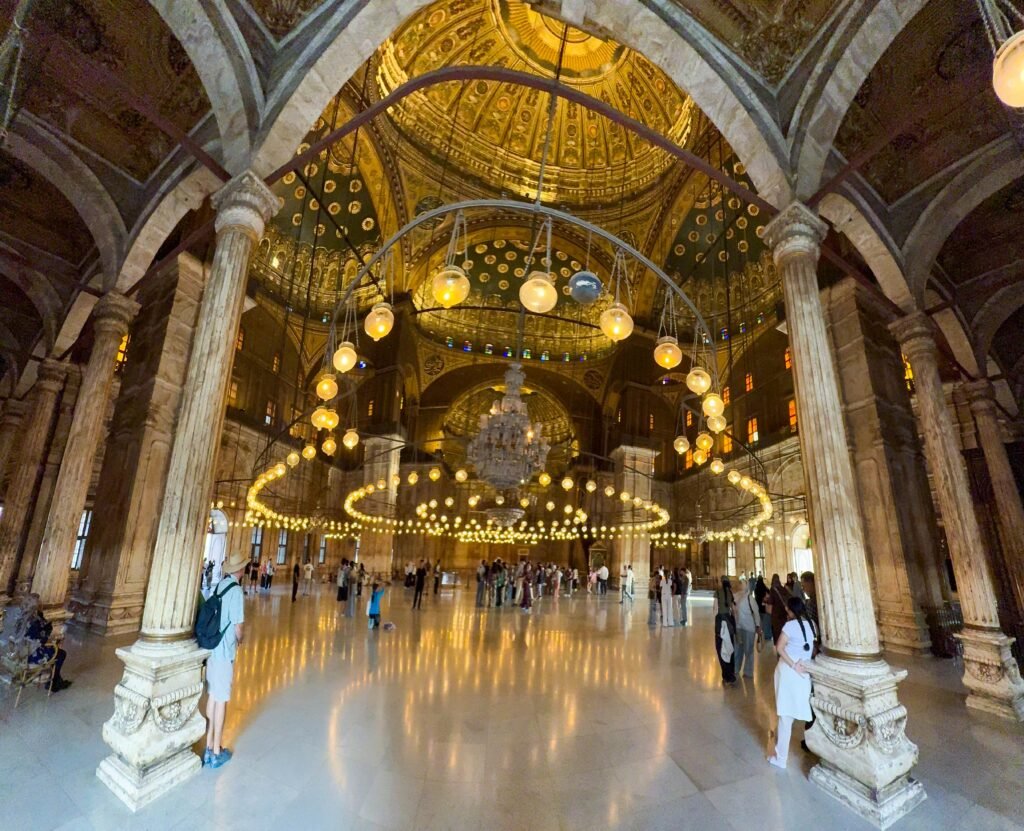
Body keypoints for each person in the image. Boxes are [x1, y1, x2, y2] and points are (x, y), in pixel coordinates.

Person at [204, 550, 246, 769]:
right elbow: (238, 626)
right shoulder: (237, 591)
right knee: (222, 699)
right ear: (240, 570)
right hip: (224, 652)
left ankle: (209, 742)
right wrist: (241, 639)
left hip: (211, 647)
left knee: (212, 694)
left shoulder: (220, 585)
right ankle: (216, 750)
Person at [768, 597, 817, 770]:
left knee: (785, 717)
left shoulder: (789, 626)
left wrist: (793, 664)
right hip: (804, 675)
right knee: (794, 713)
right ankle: (782, 752)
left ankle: (780, 758)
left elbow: (779, 648)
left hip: (790, 673)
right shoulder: (811, 625)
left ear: (790, 610)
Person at [16, 594, 72, 692]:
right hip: (32, 656)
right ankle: (53, 682)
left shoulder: (21, 617)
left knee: (55, 651)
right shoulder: (36, 620)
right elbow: (43, 638)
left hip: (19, 654)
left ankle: (55, 680)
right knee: (60, 654)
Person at [712, 576, 737, 685]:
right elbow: (734, 610)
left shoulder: (717, 592)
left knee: (720, 648)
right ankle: (731, 673)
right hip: (729, 623)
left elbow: (715, 608)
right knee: (730, 648)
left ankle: (725, 675)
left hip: (720, 623)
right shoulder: (730, 593)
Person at [735, 577, 761, 679]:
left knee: (748, 650)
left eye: (742, 584)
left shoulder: (750, 598)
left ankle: (748, 671)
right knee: (738, 649)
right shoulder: (737, 596)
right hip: (738, 626)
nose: (740, 585)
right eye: (740, 584)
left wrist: (758, 625)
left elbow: (756, 613)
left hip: (749, 628)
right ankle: (736, 668)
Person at [767, 574, 792, 647]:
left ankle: (779, 651)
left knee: (777, 633)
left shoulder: (773, 589)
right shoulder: (783, 588)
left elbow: (771, 601)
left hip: (776, 615)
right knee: (785, 631)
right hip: (784, 613)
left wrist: (767, 600)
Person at [754, 575, 772, 641]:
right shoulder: (764, 588)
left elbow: (756, 597)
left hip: (758, 607)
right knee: (766, 622)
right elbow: (769, 593)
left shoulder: (756, 588)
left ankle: (760, 635)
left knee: (760, 622)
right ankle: (767, 636)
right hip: (764, 608)